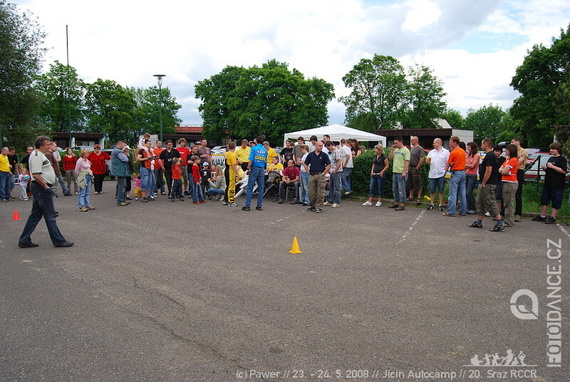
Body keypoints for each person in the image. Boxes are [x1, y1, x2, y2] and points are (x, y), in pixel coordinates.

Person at [18, 136, 74, 248]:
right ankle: (58, 240)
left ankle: (24, 239)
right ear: (41, 145)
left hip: (40, 187)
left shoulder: (38, 155)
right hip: (41, 188)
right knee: (50, 215)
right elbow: (36, 174)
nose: (49, 146)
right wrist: (45, 187)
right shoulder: (37, 156)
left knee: (35, 215)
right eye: (47, 144)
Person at [469, 138, 504, 231]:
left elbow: (489, 170)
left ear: (486, 144)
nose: (481, 146)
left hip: (488, 183)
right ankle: (479, 221)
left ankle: (499, 222)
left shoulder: (490, 156)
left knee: (490, 202)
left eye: (482, 144)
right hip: (483, 183)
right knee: (480, 202)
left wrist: (484, 182)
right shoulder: (489, 155)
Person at [531, 142, 568, 224]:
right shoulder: (550, 158)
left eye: (553, 149)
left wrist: (552, 166)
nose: (551, 150)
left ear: (558, 150)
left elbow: (563, 171)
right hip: (548, 182)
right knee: (544, 199)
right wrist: (546, 169)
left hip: (557, 184)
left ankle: (553, 217)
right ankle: (542, 215)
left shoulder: (562, 159)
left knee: (556, 200)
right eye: (550, 149)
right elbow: (550, 169)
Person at [303, 140, 331, 213]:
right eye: (319, 146)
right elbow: (305, 163)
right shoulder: (311, 155)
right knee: (311, 192)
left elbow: (329, 165)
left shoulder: (324, 155)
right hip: (312, 174)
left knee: (320, 192)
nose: (321, 147)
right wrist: (308, 171)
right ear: (315, 146)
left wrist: (324, 173)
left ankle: (319, 207)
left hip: (320, 175)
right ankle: (312, 205)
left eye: (322, 146)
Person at [243, 136, 268, 211]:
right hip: (261, 168)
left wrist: (248, 168)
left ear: (256, 141)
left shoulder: (253, 148)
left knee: (250, 187)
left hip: (254, 168)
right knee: (261, 188)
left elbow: (251, 159)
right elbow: (265, 161)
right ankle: (259, 205)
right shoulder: (265, 150)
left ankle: (247, 205)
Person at [444, 136, 467, 217]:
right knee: (463, 193)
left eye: (451, 142)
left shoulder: (453, 153)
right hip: (463, 172)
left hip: (456, 172)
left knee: (453, 193)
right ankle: (463, 210)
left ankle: (451, 211)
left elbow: (449, 163)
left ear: (455, 142)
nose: (450, 143)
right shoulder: (463, 152)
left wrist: (446, 170)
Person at [426, 138, 449, 211]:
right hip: (432, 173)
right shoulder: (431, 152)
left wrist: (445, 170)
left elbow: (448, 162)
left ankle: (440, 204)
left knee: (441, 190)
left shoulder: (446, 152)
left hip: (441, 173)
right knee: (432, 189)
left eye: (434, 143)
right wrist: (428, 162)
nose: (433, 145)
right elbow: (427, 161)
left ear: (438, 143)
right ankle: (432, 203)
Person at [499, 144, 519, 227]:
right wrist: (505, 171)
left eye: (507, 150)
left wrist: (505, 171)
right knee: (506, 202)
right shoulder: (507, 160)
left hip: (510, 182)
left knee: (509, 202)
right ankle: (507, 219)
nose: (505, 151)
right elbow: (500, 169)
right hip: (505, 181)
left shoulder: (513, 160)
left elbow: (503, 171)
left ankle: (509, 221)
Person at [388, 137, 410, 211]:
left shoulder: (406, 150)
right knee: (395, 188)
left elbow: (407, 162)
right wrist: (392, 150)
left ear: (401, 142)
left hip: (401, 172)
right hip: (395, 171)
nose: (395, 144)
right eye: (394, 143)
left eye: (396, 143)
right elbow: (390, 158)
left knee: (401, 189)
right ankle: (397, 202)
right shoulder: (396, 149)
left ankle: (402, 203)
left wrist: (404, 171)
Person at [511, 137, 528, 222]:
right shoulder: (511, 150)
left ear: (518, 142)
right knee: (509, 192)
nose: (511, 143)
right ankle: (508, 212)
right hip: (510, 171)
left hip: (519, 171)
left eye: (513, 141)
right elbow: (508, 160)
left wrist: (516, 158)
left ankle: (518, 213)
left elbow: (518, 162)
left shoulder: (523, 151)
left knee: (518, 192)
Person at [323, 141, 344, 208]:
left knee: (336, 186)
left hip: (336, 171)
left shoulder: (337, 151)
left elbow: (339, 162)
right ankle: (330, 200)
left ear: (331, 145)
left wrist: (335, 170)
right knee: (331, 186)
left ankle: (337, 201)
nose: (328, 149)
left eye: (328, 147)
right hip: (332, 171)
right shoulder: (332, 152)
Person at [111, 140, 131, 206]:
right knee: (122, 186)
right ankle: (120, 201)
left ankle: (123, 199)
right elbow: (125, 159)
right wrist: (125, 154)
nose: (124, 147)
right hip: (120, 171)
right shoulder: (118, 152)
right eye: (123, 145)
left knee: (123, 185)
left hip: (120, 170)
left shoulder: (115, 150)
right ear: (120, 144)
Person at [407, 136, 424, 205]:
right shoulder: (412, 148)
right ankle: (411, 196)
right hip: (410, 167)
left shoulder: (420, 148)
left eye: (412, 140)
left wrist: (417, 167)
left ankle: (419, 197)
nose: (411, 142)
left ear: (416, 140)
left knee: (417, 182)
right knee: (410, 182)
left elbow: (422, 159)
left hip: (415, 167)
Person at [465, 142, 480, 214]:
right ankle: (469, 206)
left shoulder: (476, 155)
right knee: (465, 192)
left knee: (469, 192)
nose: (468, 148)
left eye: (469, 147)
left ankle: (474, 207)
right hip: (466, 174)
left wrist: (465, 165)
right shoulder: (468, 155)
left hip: (472, 175)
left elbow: (472, 165)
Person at [224, 141, 239, 207]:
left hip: (227, 169)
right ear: (235, 147)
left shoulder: (227, 154)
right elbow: (233, 165)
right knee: (232, 186)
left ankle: (226, 199)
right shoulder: (232, 155)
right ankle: (231, 201)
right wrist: (237, 173)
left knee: (228, 185)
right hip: (231, 171)